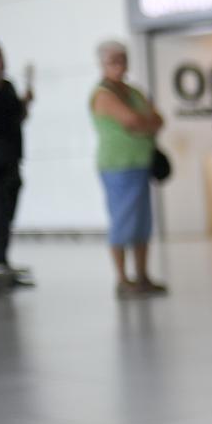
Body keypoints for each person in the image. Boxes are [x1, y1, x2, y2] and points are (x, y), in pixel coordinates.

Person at [90, 40, 168, 296]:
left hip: (141, 164)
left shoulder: (133, 92)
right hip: (117, 167)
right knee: (122, 221)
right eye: (113, 60)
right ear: (102, 64)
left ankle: (142, 276)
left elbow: (157, 119)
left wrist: (142, 123)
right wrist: (143, 122)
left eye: (123, 59)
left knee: (143, 223)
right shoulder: (103, 95)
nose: (120, 65)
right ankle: (123, 279)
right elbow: (132, 119)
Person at [0, 40, 34, 287]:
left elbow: (16, 119)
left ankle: (1, 262)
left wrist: (25, 104)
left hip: (11, 158)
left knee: (6, 214)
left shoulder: (7, 86)